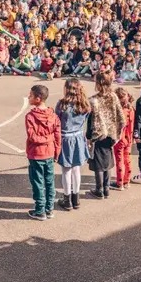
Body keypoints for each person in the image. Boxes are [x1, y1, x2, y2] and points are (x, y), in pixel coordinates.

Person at [86, 70, 125, 199]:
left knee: (98, 163)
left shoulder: (93, 100)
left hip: (98, 134)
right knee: (108, 161)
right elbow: (121, 117)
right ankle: (106, 188)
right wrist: (118, 132)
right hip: (111, 133)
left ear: (98, 83)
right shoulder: (114, 96)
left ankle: (99, 189)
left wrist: (89, 136)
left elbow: (90, 120)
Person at [24, 84, 61, 220]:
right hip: (49, 152)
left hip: (36, 154)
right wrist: (57, 151)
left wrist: (47, 139)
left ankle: (40, 210)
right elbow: (57, 136)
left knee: (38, 182)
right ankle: (49, 209)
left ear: (38, 99)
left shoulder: (30, 116)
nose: (29, 97)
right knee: (49, 182)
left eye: (31, 95)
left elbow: (32, 137)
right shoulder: (53, 115)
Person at [54, 79, 91, 211]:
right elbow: (86, 119)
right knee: (76, 169)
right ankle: (76, 198)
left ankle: (67, 199)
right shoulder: (84, 104)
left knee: (66, 170)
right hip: (78, 138)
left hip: (65, 138)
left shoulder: (62, 104)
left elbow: (56, 121)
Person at [110, 87, 135, 191]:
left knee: (119, 160)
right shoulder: (131, 109)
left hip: (120, 139)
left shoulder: (119, 112)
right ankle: (126, 181)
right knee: (127, 159)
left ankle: (119, 183)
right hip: (129, 137)